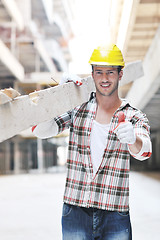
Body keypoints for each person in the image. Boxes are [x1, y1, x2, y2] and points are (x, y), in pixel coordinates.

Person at [32, 44, 152, 240]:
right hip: (75, 210)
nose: (104, 78)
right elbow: (41, 131)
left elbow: (144, 150)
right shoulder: (77, 110)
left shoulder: (133, 116)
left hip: (115, 212)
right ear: (93, 74)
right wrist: (59, 96)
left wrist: (133, 139)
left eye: (110, 72)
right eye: (99, 72)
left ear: (120, 75)